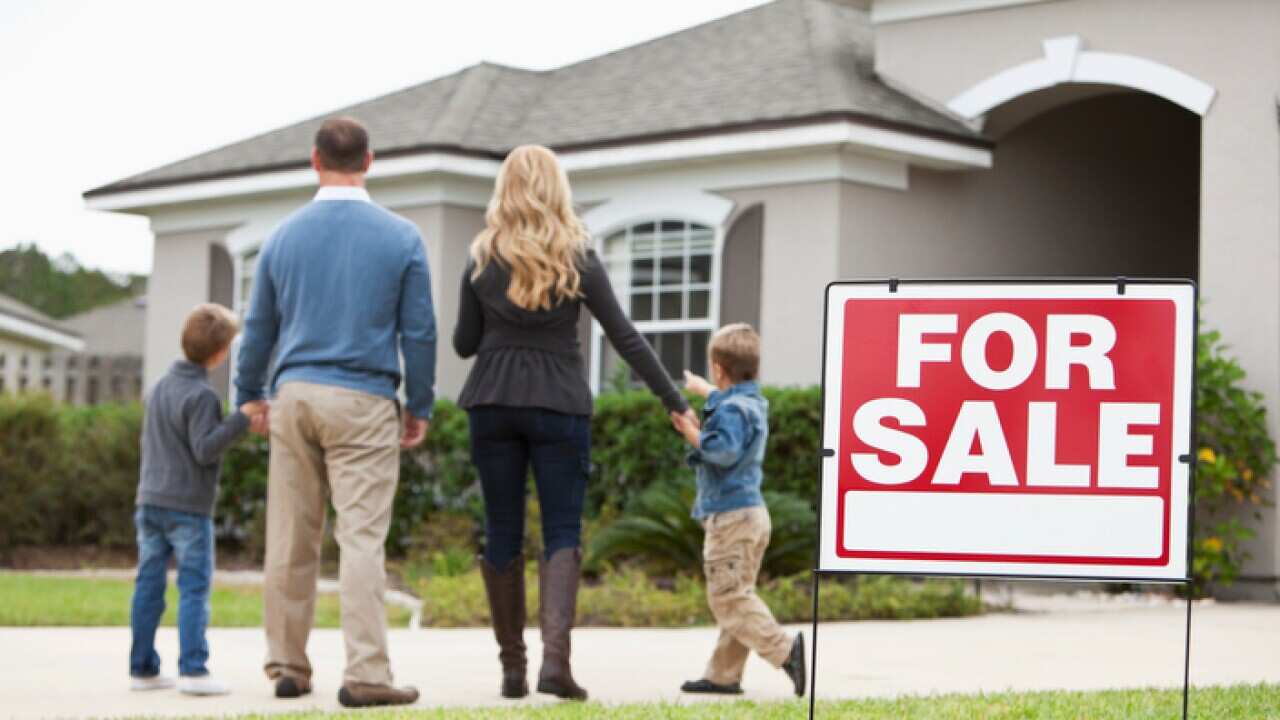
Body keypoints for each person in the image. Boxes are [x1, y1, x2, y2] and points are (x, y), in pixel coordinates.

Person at [454, 144, 697, 701]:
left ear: (505, 190)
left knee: (501, 529)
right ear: (558, 188)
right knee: (562, 530)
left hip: (492, 400)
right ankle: (554, 666)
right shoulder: (577, 256)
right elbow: (624, 335)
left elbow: (465, 344)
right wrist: (675, 402)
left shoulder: (481, 257)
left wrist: (498, 323)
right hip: (560, 403)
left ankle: (512, 670)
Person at [235, 116, 436, 708]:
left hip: (294, 395)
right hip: (364, 399)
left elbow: (257, 330)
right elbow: (419, 332)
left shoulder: (282, 236)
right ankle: (367, 672)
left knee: (291, 537)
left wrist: (248, 392)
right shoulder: (401, 237)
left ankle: (288, 666)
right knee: (362, 538)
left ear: (315, 161)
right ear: (369, 161)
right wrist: (418, 403)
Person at [130, 303, 266, 697]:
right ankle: (193, 669)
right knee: (193, 587)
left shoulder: (158, 388)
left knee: (148, 586)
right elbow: (205, 449)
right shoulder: (202, 396)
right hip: (187, 507)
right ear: (221, 353)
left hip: (149, 502)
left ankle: (142, 668)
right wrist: (241, 418)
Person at [669, 323, 807, 698]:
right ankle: (723, 675)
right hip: (750, 515)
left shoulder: (731, 409)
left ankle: (786, 651)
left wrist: (691, 431)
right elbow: (730, 409)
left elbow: (722, 452)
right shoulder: (752, 402)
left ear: (718, 367)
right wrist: (707, 392)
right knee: (738, 592)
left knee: (727, 597)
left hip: (731, 516)